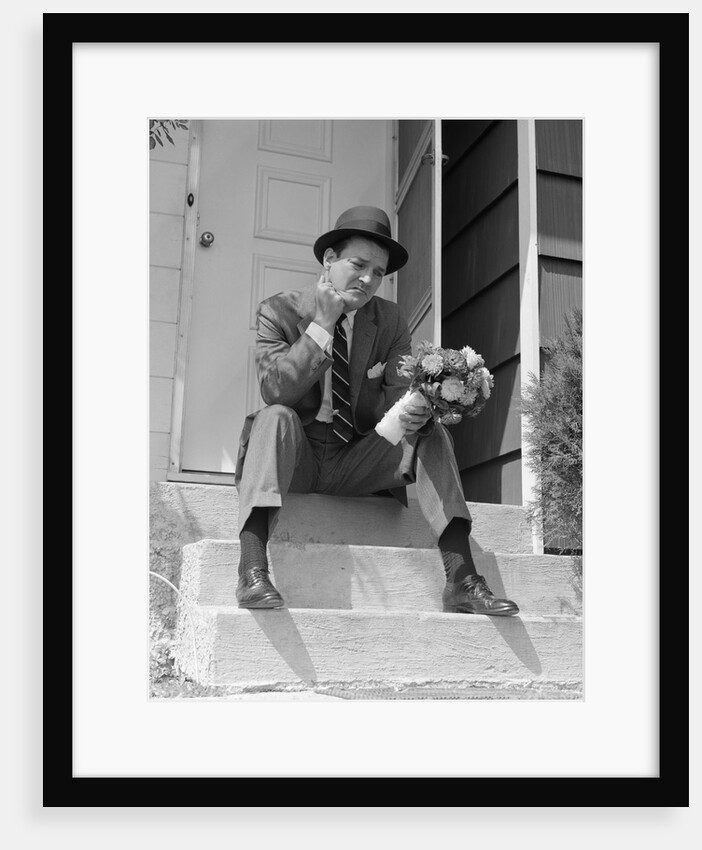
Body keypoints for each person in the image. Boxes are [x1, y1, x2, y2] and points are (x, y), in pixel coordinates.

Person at [234, 205, 519, 617]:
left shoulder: (388, 320)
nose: (368, 279)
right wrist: (324, 325)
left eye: (379, 272)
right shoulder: (278, 311)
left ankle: (461, 579)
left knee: (429, 432)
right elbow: (277, 389)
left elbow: (397, 402)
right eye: (359, 264)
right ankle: (252, 569)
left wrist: (423, 407)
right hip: (298, 458)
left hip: (358, 458)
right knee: (273, 416)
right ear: (329, 260)